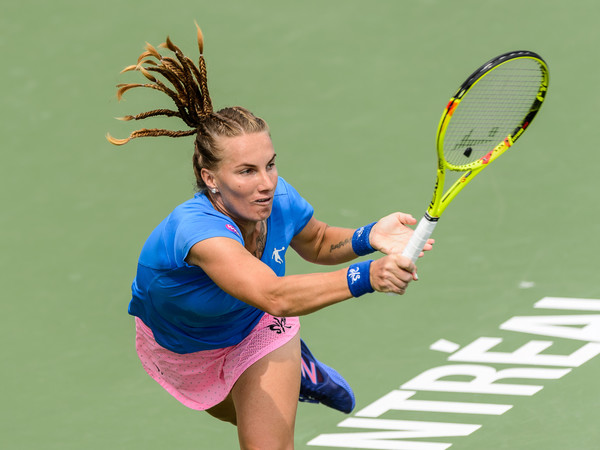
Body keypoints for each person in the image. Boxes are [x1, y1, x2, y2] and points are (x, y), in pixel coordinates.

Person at [108, 25, 433, 449]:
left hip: (259, 327)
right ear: (210, 179)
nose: (266, 183)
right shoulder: (197, 233)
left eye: (270, 164)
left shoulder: (274, 197)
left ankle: (289, 364)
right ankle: (303, 374)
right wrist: (367, 276)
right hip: (180, 351)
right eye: (246, 171)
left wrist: (370, 234)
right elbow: (275, 292)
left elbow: (314, 243)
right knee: (237, 413)